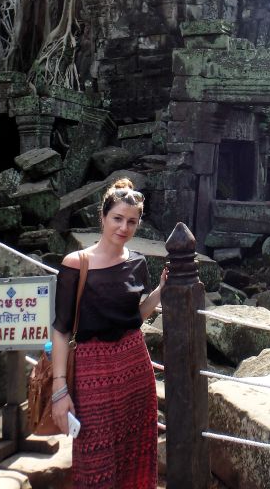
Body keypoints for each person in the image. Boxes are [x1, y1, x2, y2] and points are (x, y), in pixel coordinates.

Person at [51, 177, 166, 489]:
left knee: (138, 451)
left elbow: (134, 319)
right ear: (102, 217)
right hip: (93, 368)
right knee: (95, 457)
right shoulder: (76, 263)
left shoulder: (139, 263)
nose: (123, 228)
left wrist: (157, 294)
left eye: (132, 221)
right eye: (117, 219)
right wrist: (60, 389)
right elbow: (61, 330)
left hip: (134, 365)